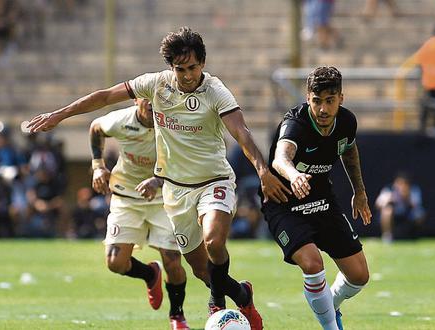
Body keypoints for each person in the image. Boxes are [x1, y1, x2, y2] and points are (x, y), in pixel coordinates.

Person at [27, 26, 290, 330]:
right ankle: (242, 294)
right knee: (200, 269)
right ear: (171, 67)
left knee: (214, 242)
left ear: (202, 64)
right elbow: (104, 97)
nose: (187, 75)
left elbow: (241, 132)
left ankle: (216, 305)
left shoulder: (216, 91)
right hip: (175, 191)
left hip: (213, 181)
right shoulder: (155, 84)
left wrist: (262, 170)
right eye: (180, 69)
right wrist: (60, 115)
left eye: (192, 67)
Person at [261, 66, 371, 330]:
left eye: (329, 101)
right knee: (312, 263)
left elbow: (349, 150)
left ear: (340, 99)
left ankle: (329, 305)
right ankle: (331, 326)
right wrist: (294, 175)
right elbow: (280, 158)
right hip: (284, 202)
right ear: (308, 97)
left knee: (359, 276)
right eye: (316, 101)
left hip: (321, 199)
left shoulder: (346, 122)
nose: (322, 109)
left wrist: (360, 191)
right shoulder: (295, 124)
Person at [89, 98, 198, 329]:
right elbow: (96, 127)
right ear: (137, 99)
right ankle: (150, 274)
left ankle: (177, 315)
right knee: (115, 263)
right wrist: (98, 166)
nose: (151, 104)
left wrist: (158, 181)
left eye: (156, 99)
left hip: (163, 198)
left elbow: (185, 160)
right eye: (146, 98)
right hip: (126, 197)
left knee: (172, 260)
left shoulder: (173, 123)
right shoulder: (122, 120)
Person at [398, 24, 435, 133]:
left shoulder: (429, 43)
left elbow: (420, 59)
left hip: (428, 80)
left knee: (426, 105)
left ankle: (422, 127)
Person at [375, 172, 425, 242]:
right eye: (399, 183)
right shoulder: (389, 190)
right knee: (387, 211)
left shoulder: (413, 190)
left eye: (404, 183)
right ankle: (387, 236)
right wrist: (389, 199)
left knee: (419, 213)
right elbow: (378, 204)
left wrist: (407, 197)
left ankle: (415, 235)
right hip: (394, 216)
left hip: (407, 215)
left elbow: (417, 206)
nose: (402, 187)